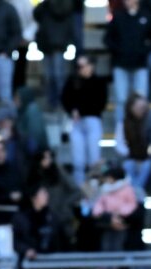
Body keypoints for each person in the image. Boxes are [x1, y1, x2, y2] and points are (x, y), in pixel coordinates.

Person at [105, 0, 151, 130]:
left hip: (140, 64)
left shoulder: (146, 16)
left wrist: (144, 50)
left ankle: (142, 128)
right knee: (121, 99)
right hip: (121, 64)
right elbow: (108, 39)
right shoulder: (118, 16)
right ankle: (122, 129)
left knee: (141, 99)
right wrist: (119, 50)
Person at [60, 56, 108, 186]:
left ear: (91, 65)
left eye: (84, 65)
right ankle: (80, 190)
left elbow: (100, 104)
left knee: (94, 159)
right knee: (78, 161)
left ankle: (94, 189)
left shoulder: (98, 82)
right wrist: (72, 111)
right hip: (76, 123)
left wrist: (80, 109)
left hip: (93, 121)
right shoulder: (73, 81)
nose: (82, 69)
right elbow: (65, 99)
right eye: (79, 66)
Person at [34, 0, 76, 112]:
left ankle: (62, 104)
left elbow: (62, 12)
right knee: (48, 77)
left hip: (59, 45)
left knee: (59, 77)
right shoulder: (44, 6)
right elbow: (36, 14)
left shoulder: (65, 4)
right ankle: (51, 103)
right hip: (46, 44)